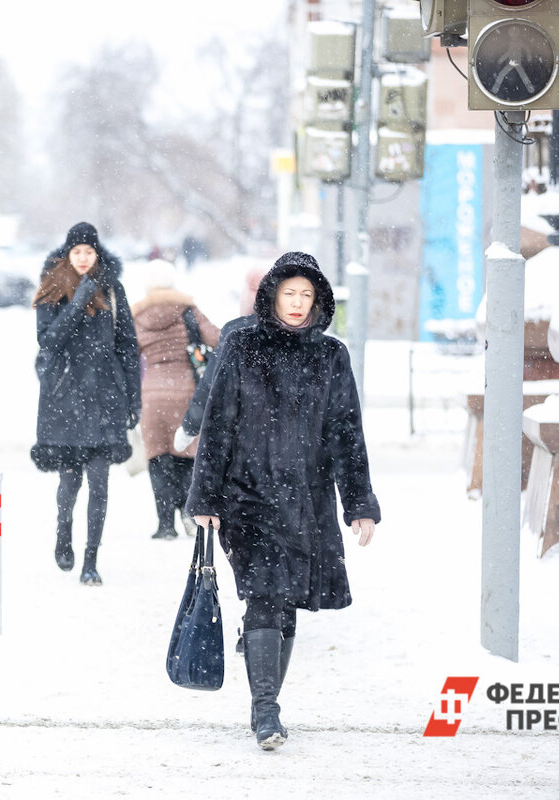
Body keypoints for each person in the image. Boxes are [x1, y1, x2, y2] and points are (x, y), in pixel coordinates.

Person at [184, 251, 380, 751]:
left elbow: (346, 434)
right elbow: (218, 426)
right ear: (271, 294)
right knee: (267, 593)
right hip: (247, 499)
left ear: (318, 301)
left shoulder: (331, 356)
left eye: (306, 295)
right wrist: (204, 495)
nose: (296, 304)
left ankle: (262, 672)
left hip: (306, 503)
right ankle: (265, 711)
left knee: (285, 604)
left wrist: (358, 502)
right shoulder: (243, 345)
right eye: (289, 293)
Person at [31, 222, 141, 586]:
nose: (82, 258)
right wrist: (77, 303)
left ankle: (91, 560)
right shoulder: (51, 287)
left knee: (100, 482)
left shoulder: (111, 289)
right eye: (76, 252)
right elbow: (49, 341)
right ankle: (64, 531)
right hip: (65, 396)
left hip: (105, 395)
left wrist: (133, 396)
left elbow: (127, 344)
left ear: (97, 255)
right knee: (70, 481)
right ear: (67, 254)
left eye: (88, 252)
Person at [130, 259, 220, 539]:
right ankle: (188, 512)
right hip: (186, 392)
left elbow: (128, 355)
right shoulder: (188, 310)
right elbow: (217, 339)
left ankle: (164, 524)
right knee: (186, 454)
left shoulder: (137, 315)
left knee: (157, 458)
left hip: (152, 396)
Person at [174, 262, 266, 452]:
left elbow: (210, 382)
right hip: (286, 446)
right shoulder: (298, 335)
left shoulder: (236, 332)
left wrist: (190, 426)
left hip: (242, 438)